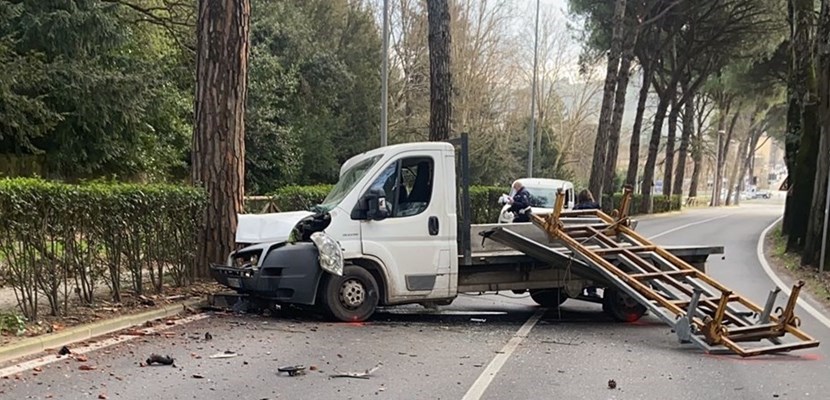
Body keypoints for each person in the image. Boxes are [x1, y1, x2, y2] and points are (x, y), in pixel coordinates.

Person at [574, 189, 601, 297]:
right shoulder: (596, 206)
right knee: (592, 266)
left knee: (579, 266)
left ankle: (579, 290)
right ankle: (592, 290)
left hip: (580, 240)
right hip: (593, 240)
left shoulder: (576, 208)